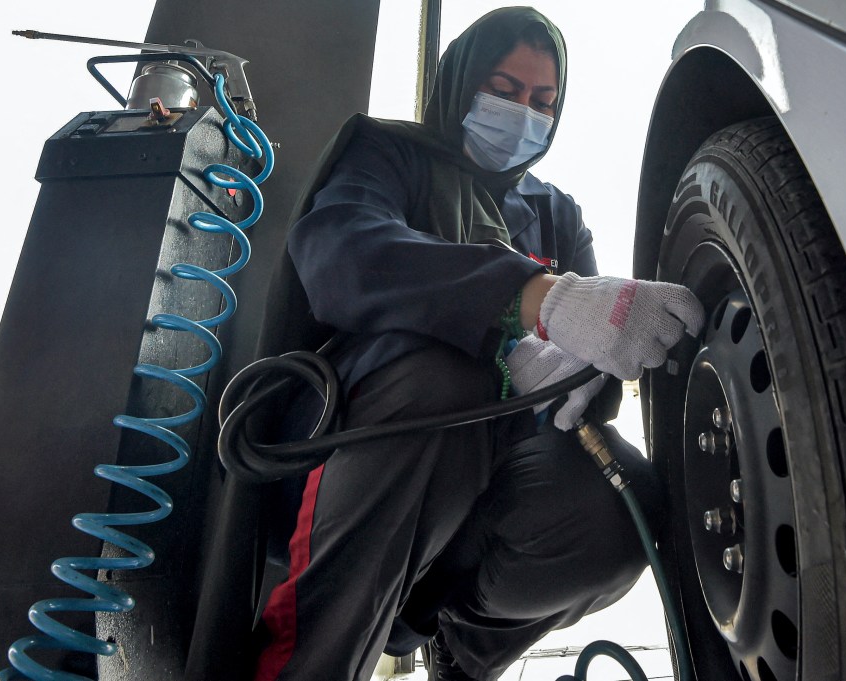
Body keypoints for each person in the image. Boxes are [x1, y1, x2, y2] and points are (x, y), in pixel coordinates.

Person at [252, 7, 704, 681]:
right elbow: (342, 255)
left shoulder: (558, 214)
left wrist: (591, 363)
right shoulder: (387, 153)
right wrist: (529, 303)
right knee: (446, 376)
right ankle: (307, 665)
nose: (524, 112)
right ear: (461, 81)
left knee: (623, 497)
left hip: (490, 487)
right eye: (504, 88)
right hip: (363, 455)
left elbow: (591, 372)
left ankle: (462, 655)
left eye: (542, 101)